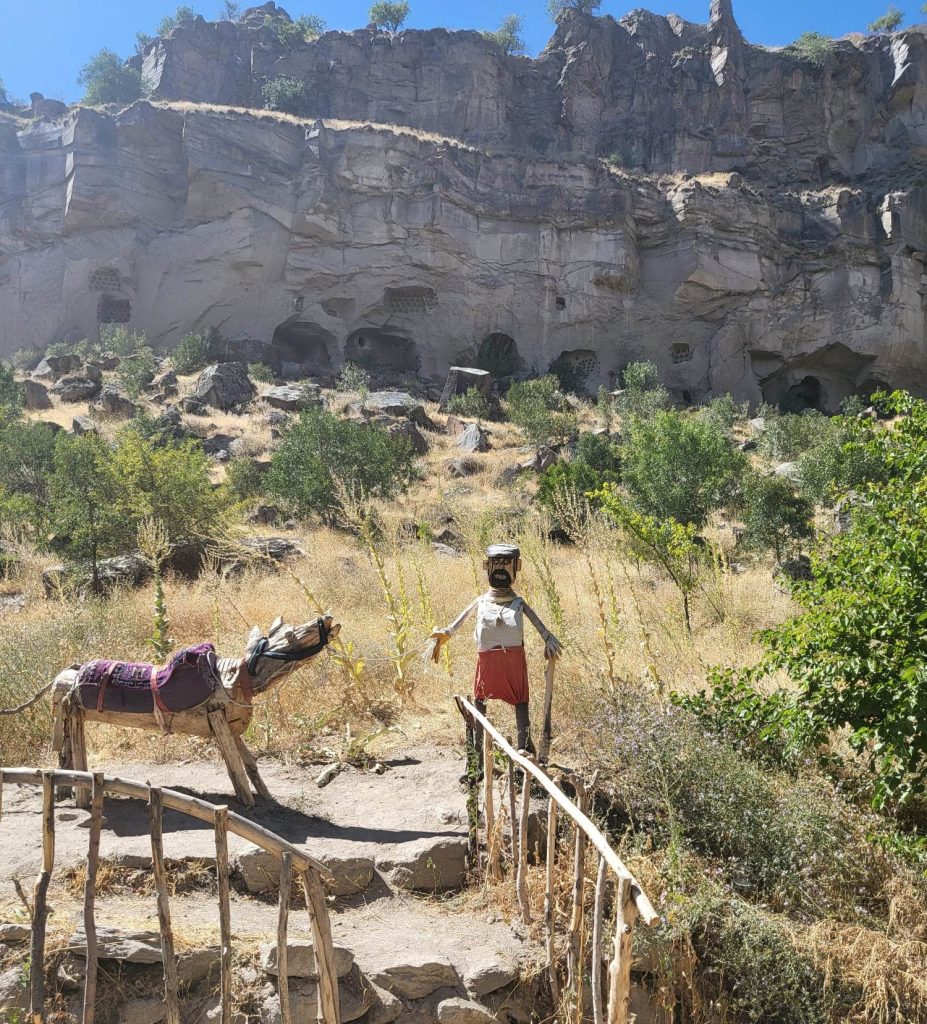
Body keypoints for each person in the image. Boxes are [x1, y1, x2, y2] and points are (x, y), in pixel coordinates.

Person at [428, 543, 562, 763]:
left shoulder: (519, 603)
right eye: (496, 563)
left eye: (506, 563)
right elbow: (456, 624)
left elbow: (541, 627)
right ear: (487, 566)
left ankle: (524, 749)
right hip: (487, 661)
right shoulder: (481, 602)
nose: (501, 568)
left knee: (520, 701)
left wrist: (549, 638)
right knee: (480, 702)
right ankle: (478, 756)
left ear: (516, 567)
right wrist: (445, 634)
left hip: (514, 662)